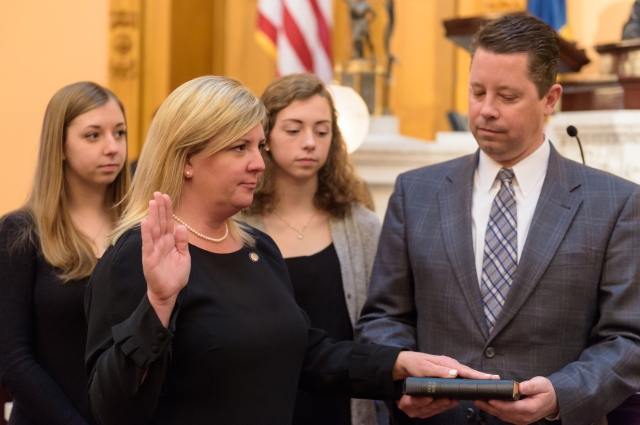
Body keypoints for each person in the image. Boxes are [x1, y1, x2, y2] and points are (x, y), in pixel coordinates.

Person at [84, 75, 495, 425]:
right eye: (239, 148)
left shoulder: (257, 247)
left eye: (259, 147)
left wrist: (399, 364)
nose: (260, 164)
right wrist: (158, 302)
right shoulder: (137, 254)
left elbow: (307, 353)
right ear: (188, 158)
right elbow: (111, 407)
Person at [356, 14, 640, 425]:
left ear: (550, 98)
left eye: (507, 96)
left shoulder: (616, 203)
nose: (486, 110)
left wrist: (562, 394)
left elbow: (628, 337)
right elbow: (384, 317)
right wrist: (400, 381)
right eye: (476, 92)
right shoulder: (414, 193)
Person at [240, 73, 381, 425]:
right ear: (265, 138)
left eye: (321, 131)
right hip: (266, 399)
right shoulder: (238, 225)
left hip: (343, 402)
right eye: (293, 129)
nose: (309, 143)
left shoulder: (361, 225)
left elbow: (378, 319)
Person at [0, 82, 129, 424]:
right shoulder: (21, 232)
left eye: (120, 133)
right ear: (59, 146)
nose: (113, 147)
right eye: (93, 135)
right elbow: (12, 358)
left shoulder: (140, 228)